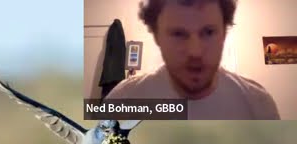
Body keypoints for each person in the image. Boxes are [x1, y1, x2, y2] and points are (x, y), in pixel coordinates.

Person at [105, 0, 280, 119]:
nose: (195, 52)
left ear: (224, 34)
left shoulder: (258, 105)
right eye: (178, 34)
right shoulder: (122, 100)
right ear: (157, 37)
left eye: (208, 32)